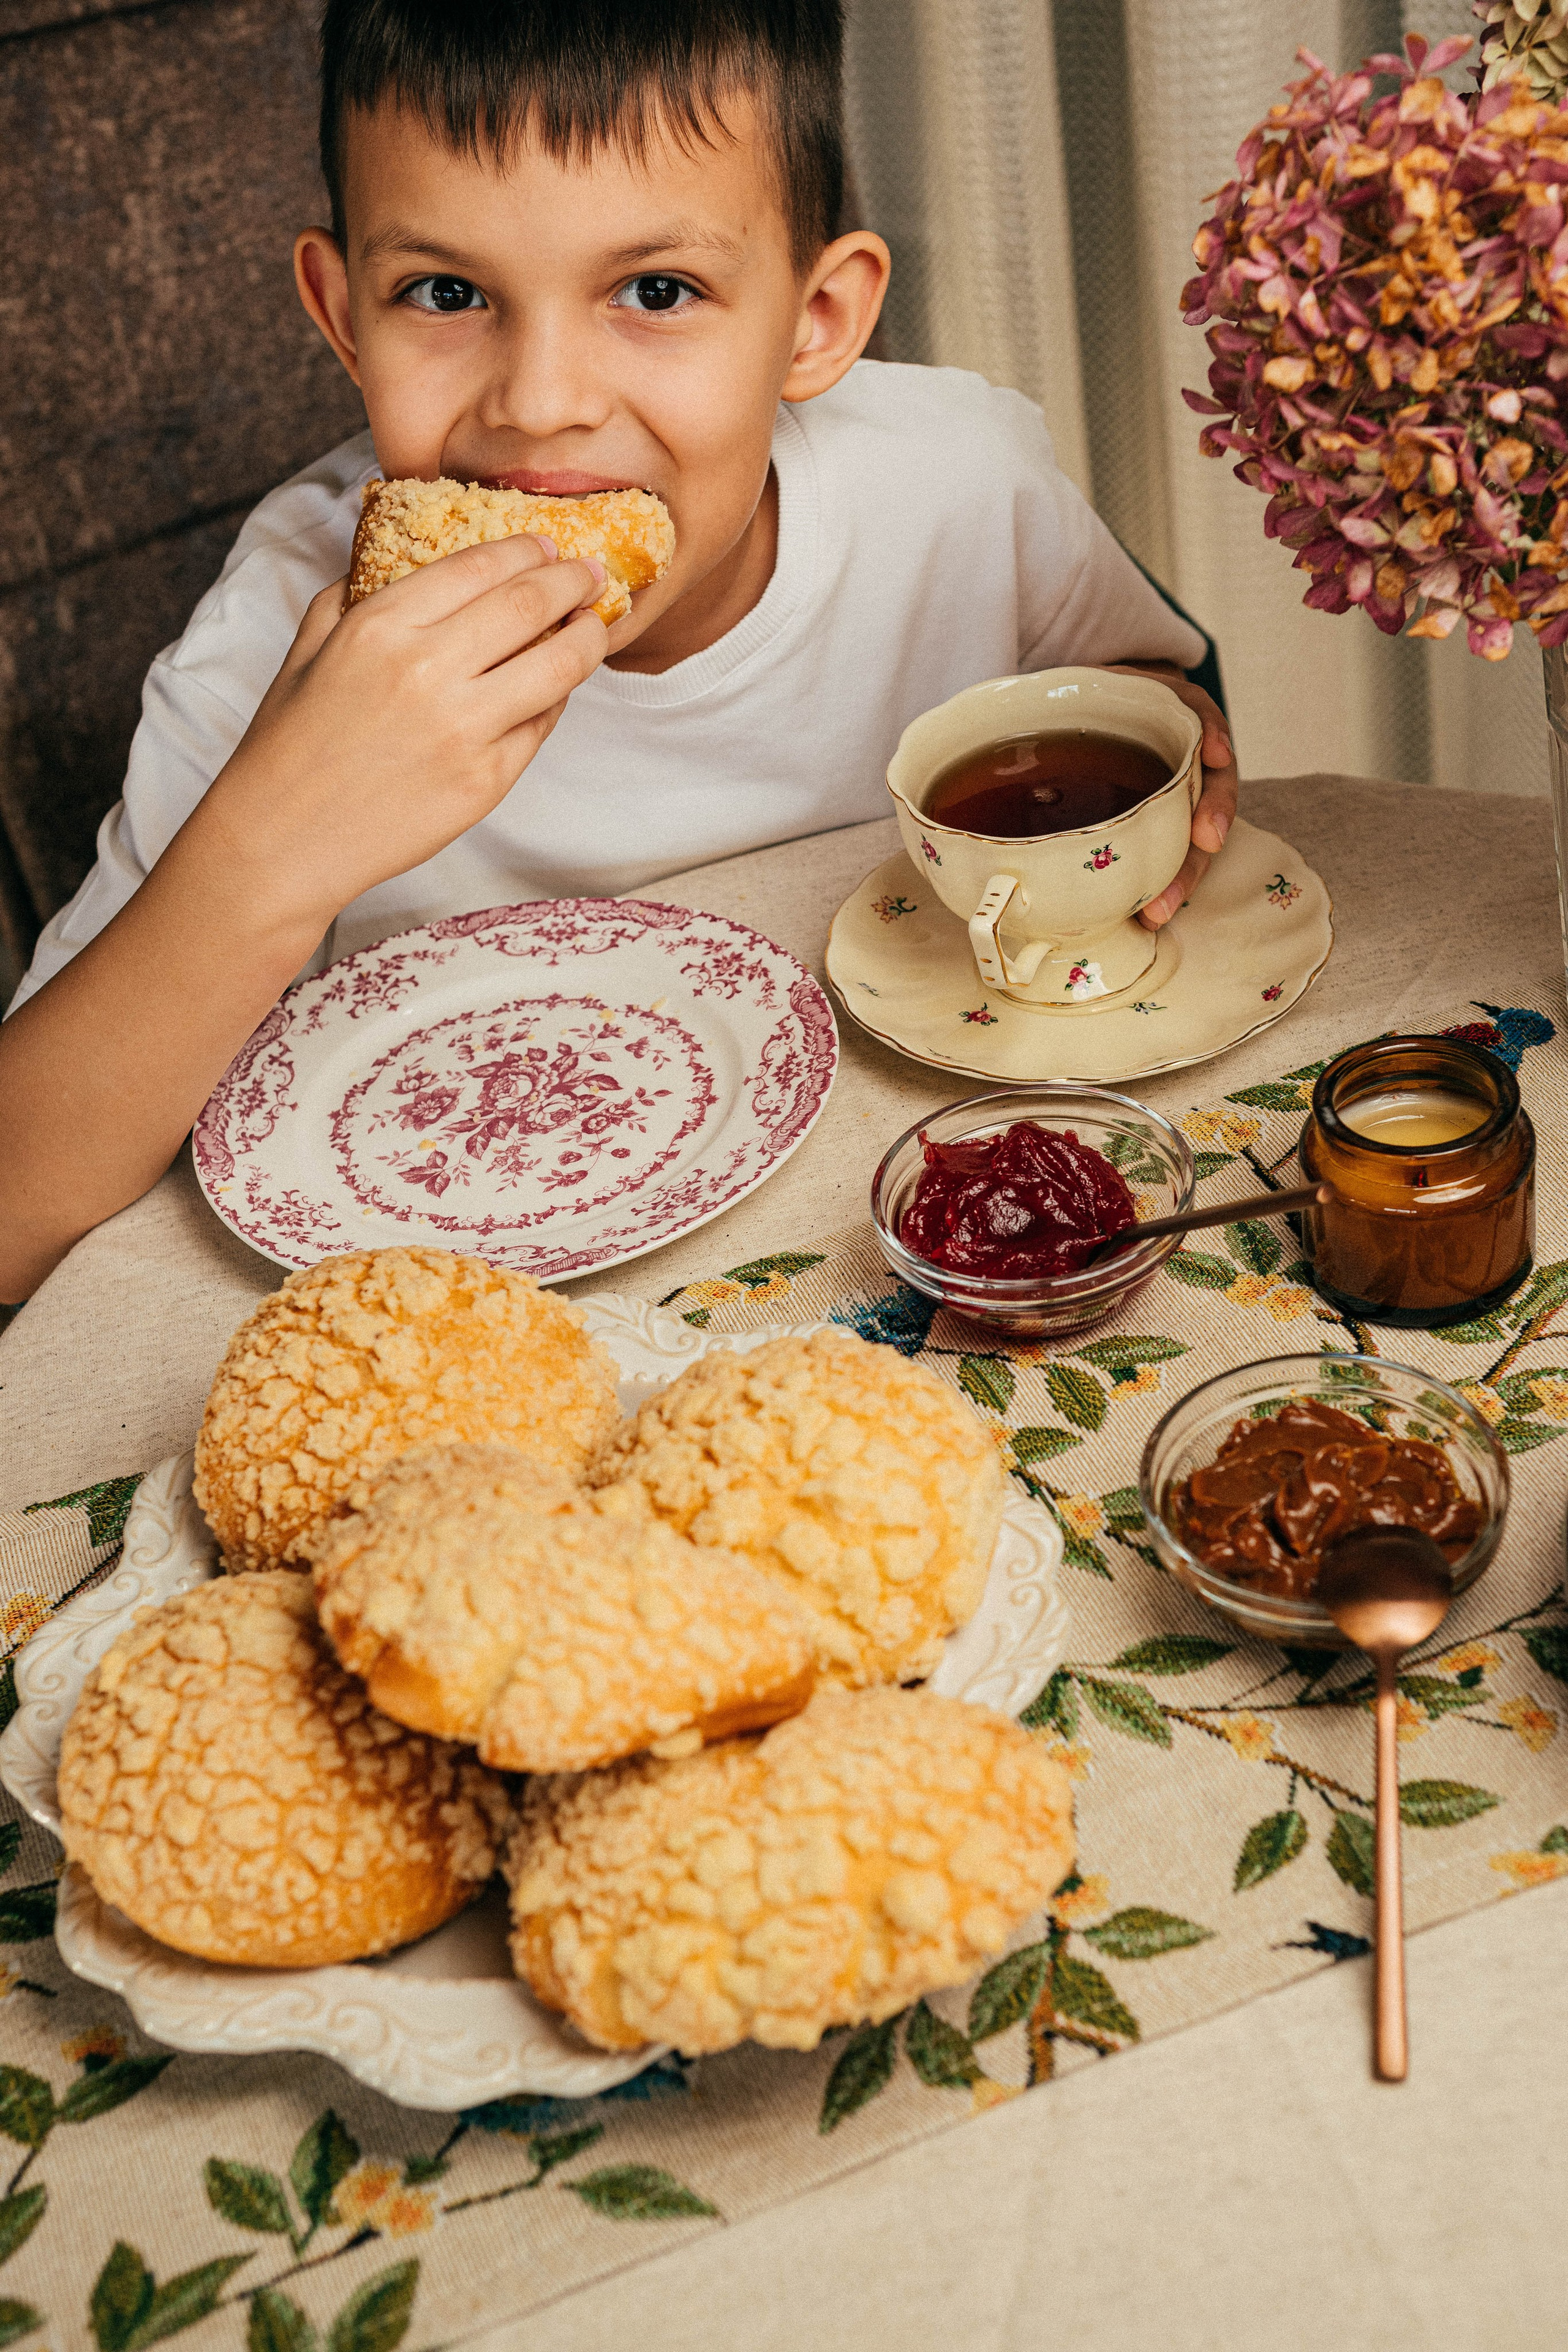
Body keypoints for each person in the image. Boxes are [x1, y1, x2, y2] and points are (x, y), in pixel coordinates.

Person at [0, 0, 1235, 1302]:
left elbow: (1152, 702)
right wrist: (269, 849)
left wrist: (1166, 766)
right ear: (342, 310)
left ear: (817, 319)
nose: (540, 400)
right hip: (479, 1297)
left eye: (655, 292)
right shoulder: (279, 633)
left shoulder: (956, 487)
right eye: (445, 292)